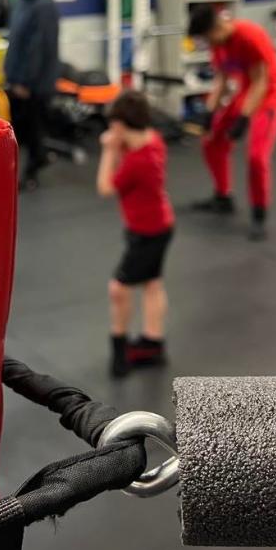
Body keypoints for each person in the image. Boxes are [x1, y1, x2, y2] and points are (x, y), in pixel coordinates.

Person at [188, 5, 276, 241]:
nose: (206, 43)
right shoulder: (218, 45)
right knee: (211, 140)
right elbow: (222, 80)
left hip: (271, 94)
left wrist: (244, 119)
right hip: (246, 92)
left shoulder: (249, 35)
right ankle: (223, 197)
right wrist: (209, 113)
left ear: (216, 27)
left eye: (206, 37)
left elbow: (261, 82)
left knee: (257, 156)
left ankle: (259, 214)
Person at [97, 91, 174, 377]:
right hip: (159, 226)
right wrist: (120, 144)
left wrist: (108, 149)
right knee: (152, 283)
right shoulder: (153, 139)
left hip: (148, 233)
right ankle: (153, 344)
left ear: (119, 125)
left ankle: (120, 348)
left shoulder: (139, 161)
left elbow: (105, 187)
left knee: (118, 288)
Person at [4, 0, 60, 190]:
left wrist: (24, 82)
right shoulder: (21, 1)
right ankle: (40, 157)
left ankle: (32, 171)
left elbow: (38, 49)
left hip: (34, 83)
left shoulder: (44, 7)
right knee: (21, 127)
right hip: (17, 77)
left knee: (32, 128)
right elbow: (17, 40)